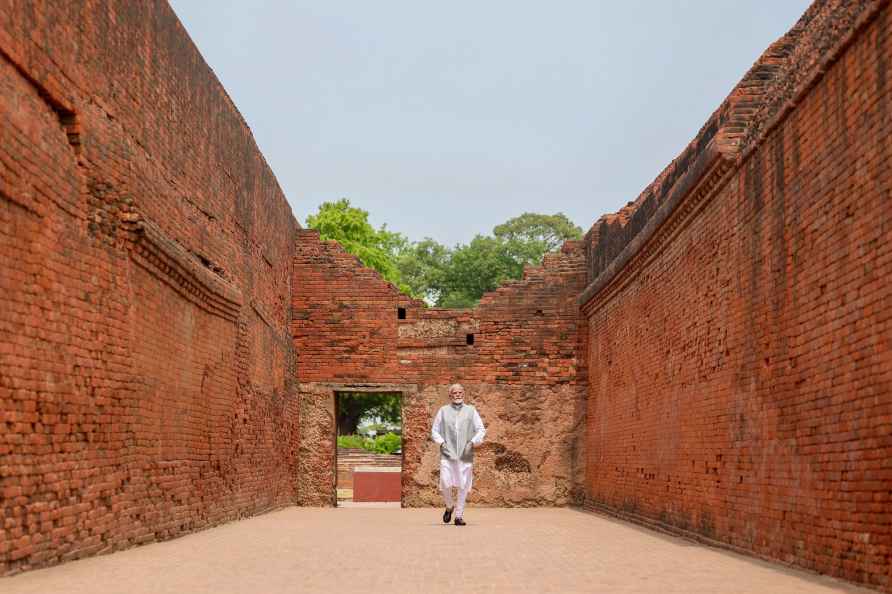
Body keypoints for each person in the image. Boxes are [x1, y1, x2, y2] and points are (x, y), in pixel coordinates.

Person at [430, 383, 485, 526]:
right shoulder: (443, 411)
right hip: (447, 452)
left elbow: (480, 429)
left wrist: (472, 442)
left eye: (460, 392)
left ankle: (459, 516)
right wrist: (442, 443)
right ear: (450, 395)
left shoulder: (471, 411)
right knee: (445, 481)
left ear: (464, 394)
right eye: (455, 392)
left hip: (465, 453)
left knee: (463, 485)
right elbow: (435, 430)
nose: (458, 394)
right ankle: (449, 506)